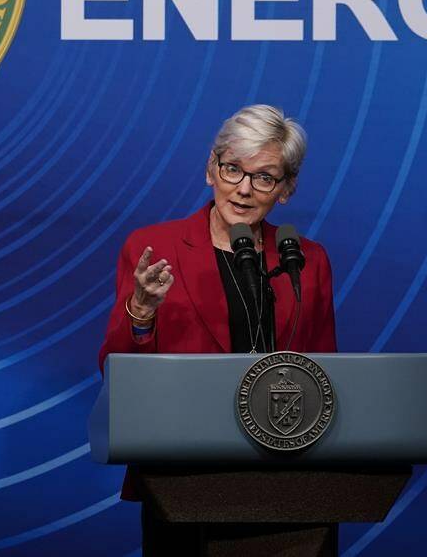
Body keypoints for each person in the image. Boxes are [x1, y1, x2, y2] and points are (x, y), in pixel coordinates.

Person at [97, 104, 338, 552]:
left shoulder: (306, 259)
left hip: (292, 480)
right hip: (187, 477)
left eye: (264, 177)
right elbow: (117, 370)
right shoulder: (155, 247)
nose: (244, 190)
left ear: (286, 189)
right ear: (211, 169)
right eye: (233, 170)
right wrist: (142, 311)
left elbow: (325, 374)